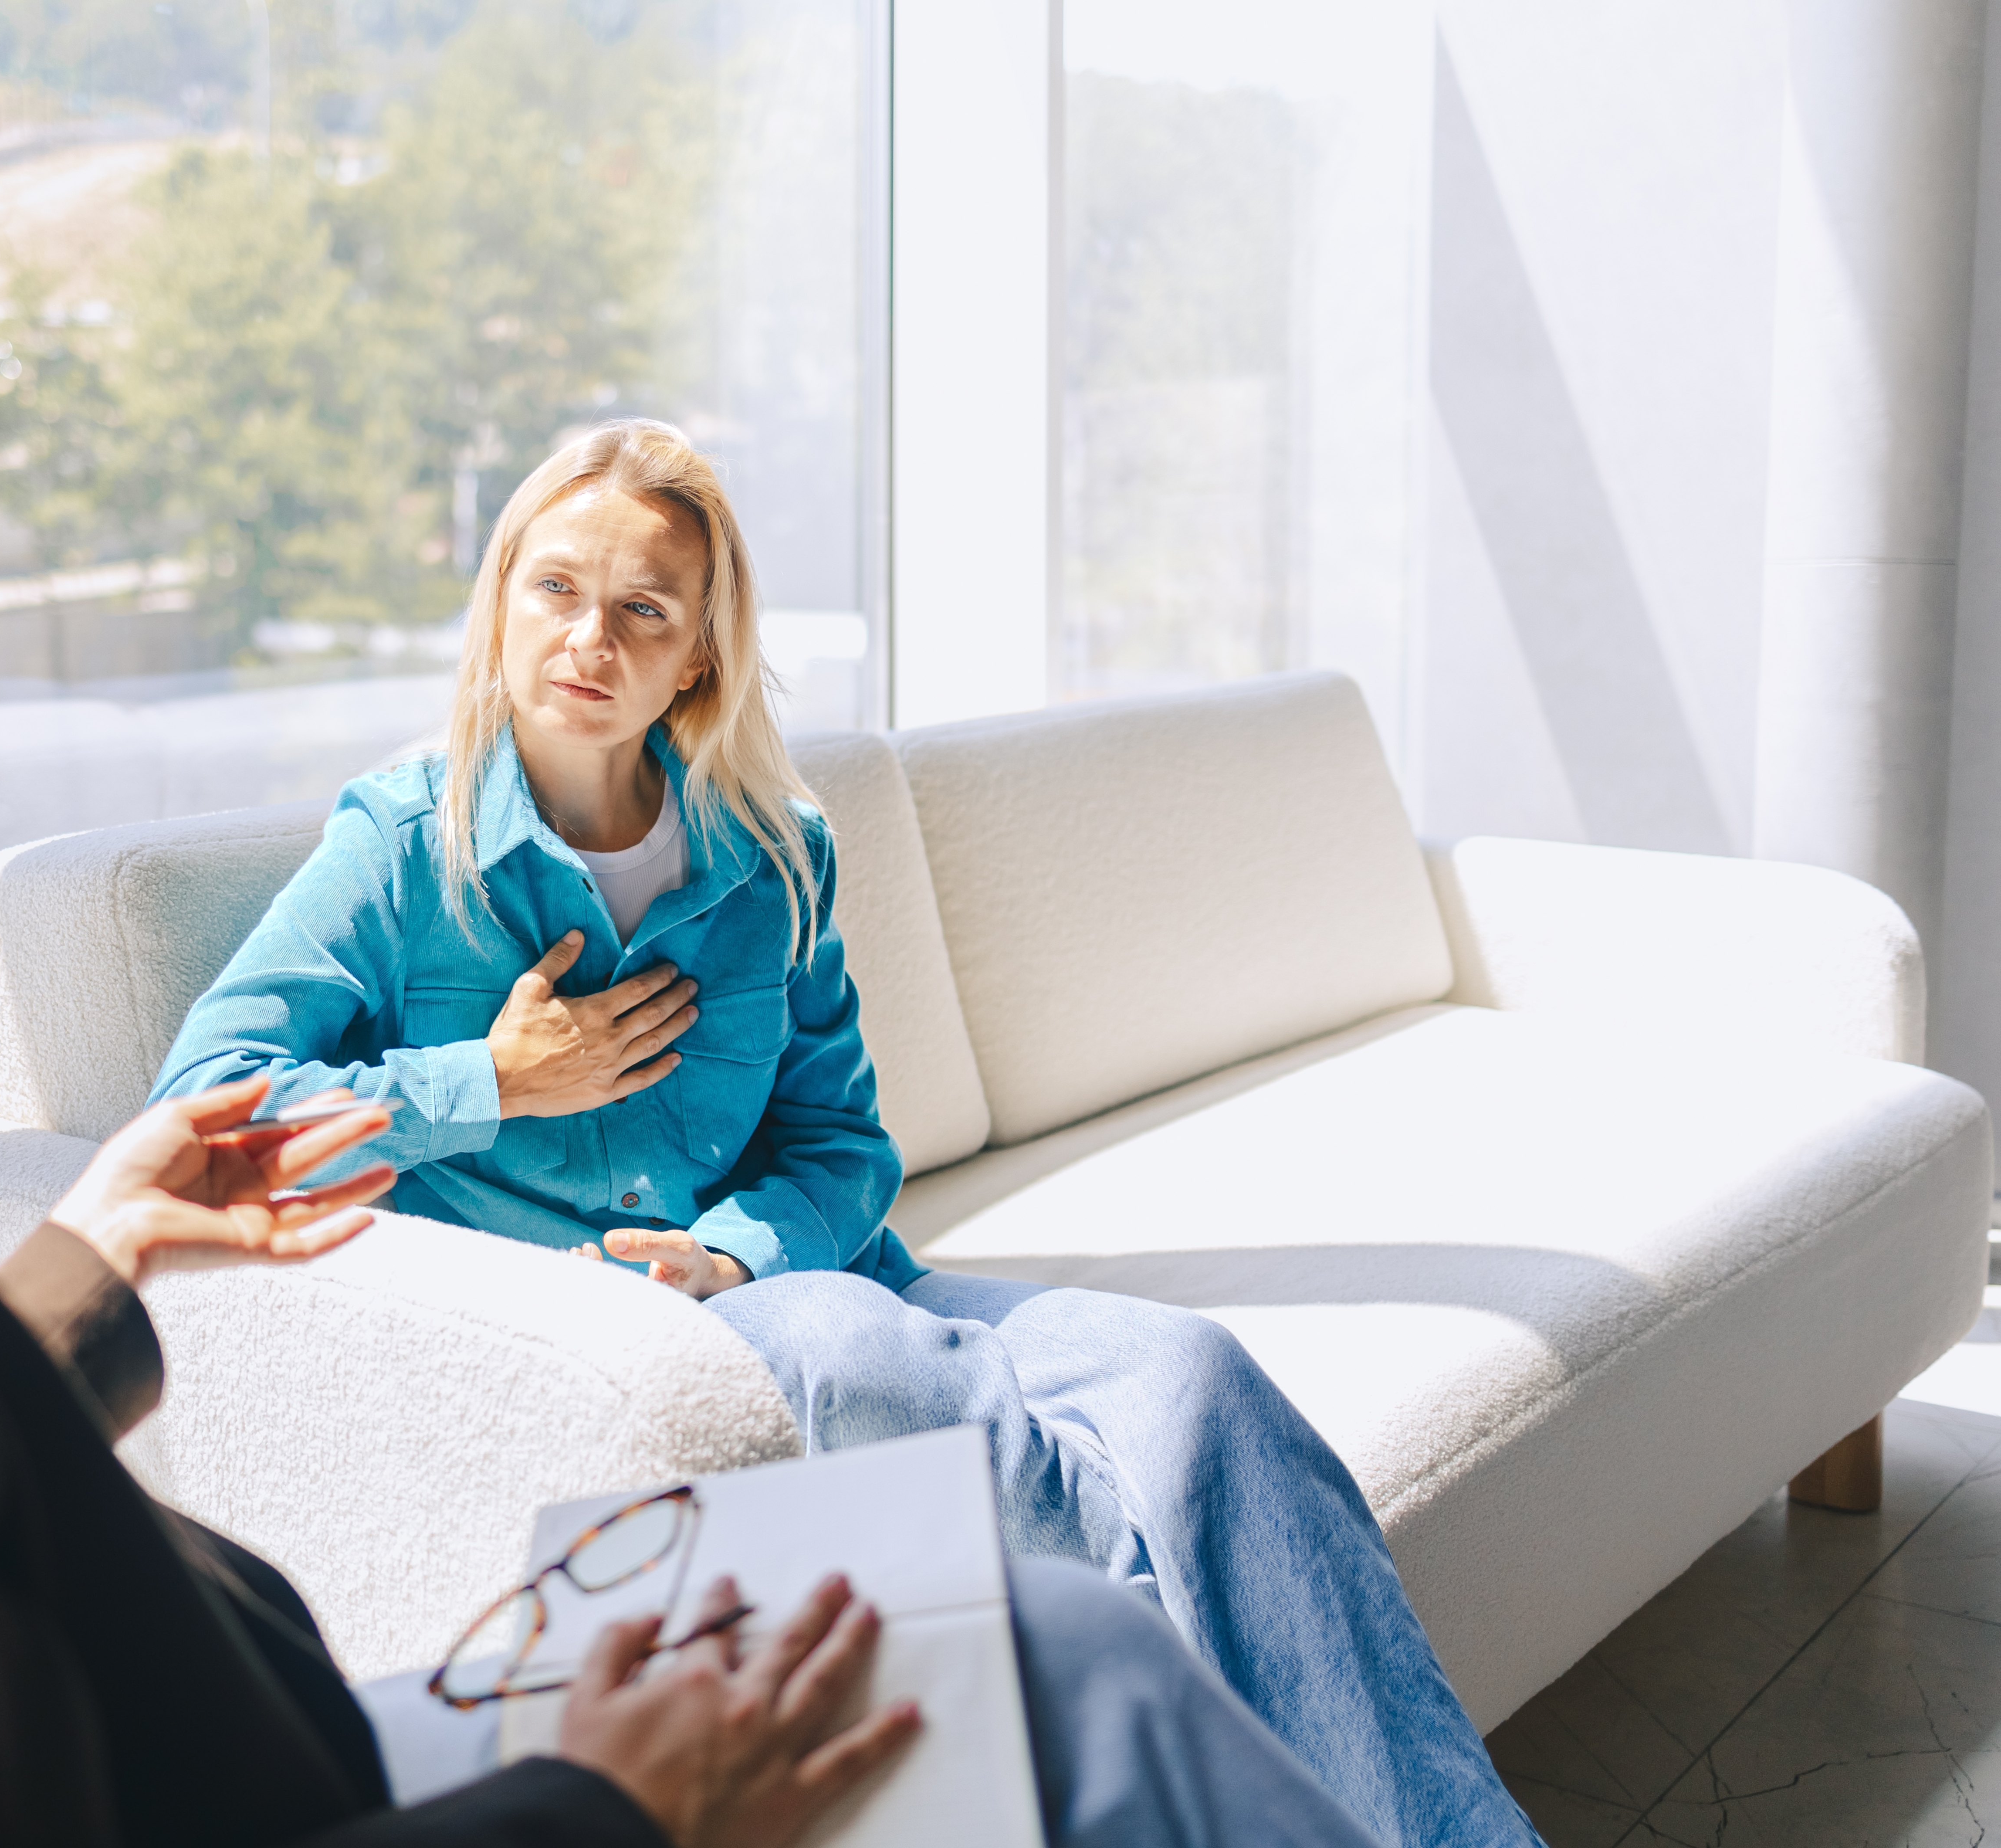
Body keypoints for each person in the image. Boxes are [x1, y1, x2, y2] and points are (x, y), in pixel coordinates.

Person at [0, 260, 1383, 1848]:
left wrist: (87, 1258)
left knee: (1131, 1460)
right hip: (354, 1788)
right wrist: (608, 1799)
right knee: (1073, 1663)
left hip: (303, 1722)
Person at [151, 420, 1542, 1848]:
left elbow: (839, 1146)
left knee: (1188, 1370)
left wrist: (729, 1255)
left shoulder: (772, 851)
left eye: (643, 609)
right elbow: (198, 1104)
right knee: (854, 1352)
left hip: (805, 1274)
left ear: (696, 654)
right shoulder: (397, 846)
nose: (590, 637)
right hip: (601, 1334)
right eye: (555, 589)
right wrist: (490, 1079)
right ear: (500, 598)